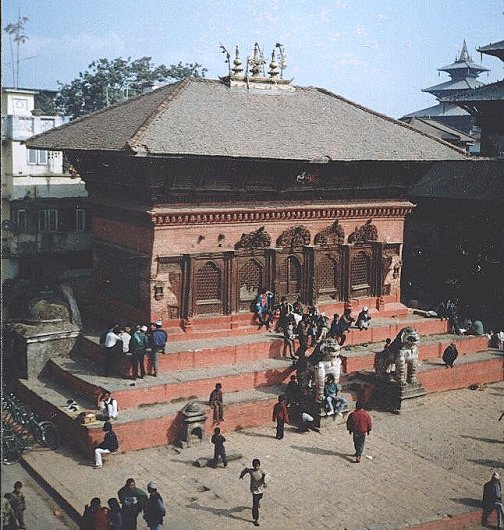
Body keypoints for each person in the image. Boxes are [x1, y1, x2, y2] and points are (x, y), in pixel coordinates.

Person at [239, 459, 268, 527]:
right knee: (255, 506)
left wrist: (265, 483)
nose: (256, 468)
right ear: (253, 466)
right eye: (255, 466)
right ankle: (256, 519)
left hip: (260, 491)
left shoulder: (262, 471)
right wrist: (242, 475)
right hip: (254, 491)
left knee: (259, 498)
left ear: (259, 465)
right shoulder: (251, 471)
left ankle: (258, 502)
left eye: (258, 466)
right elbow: (245, 470)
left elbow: (266, 477)